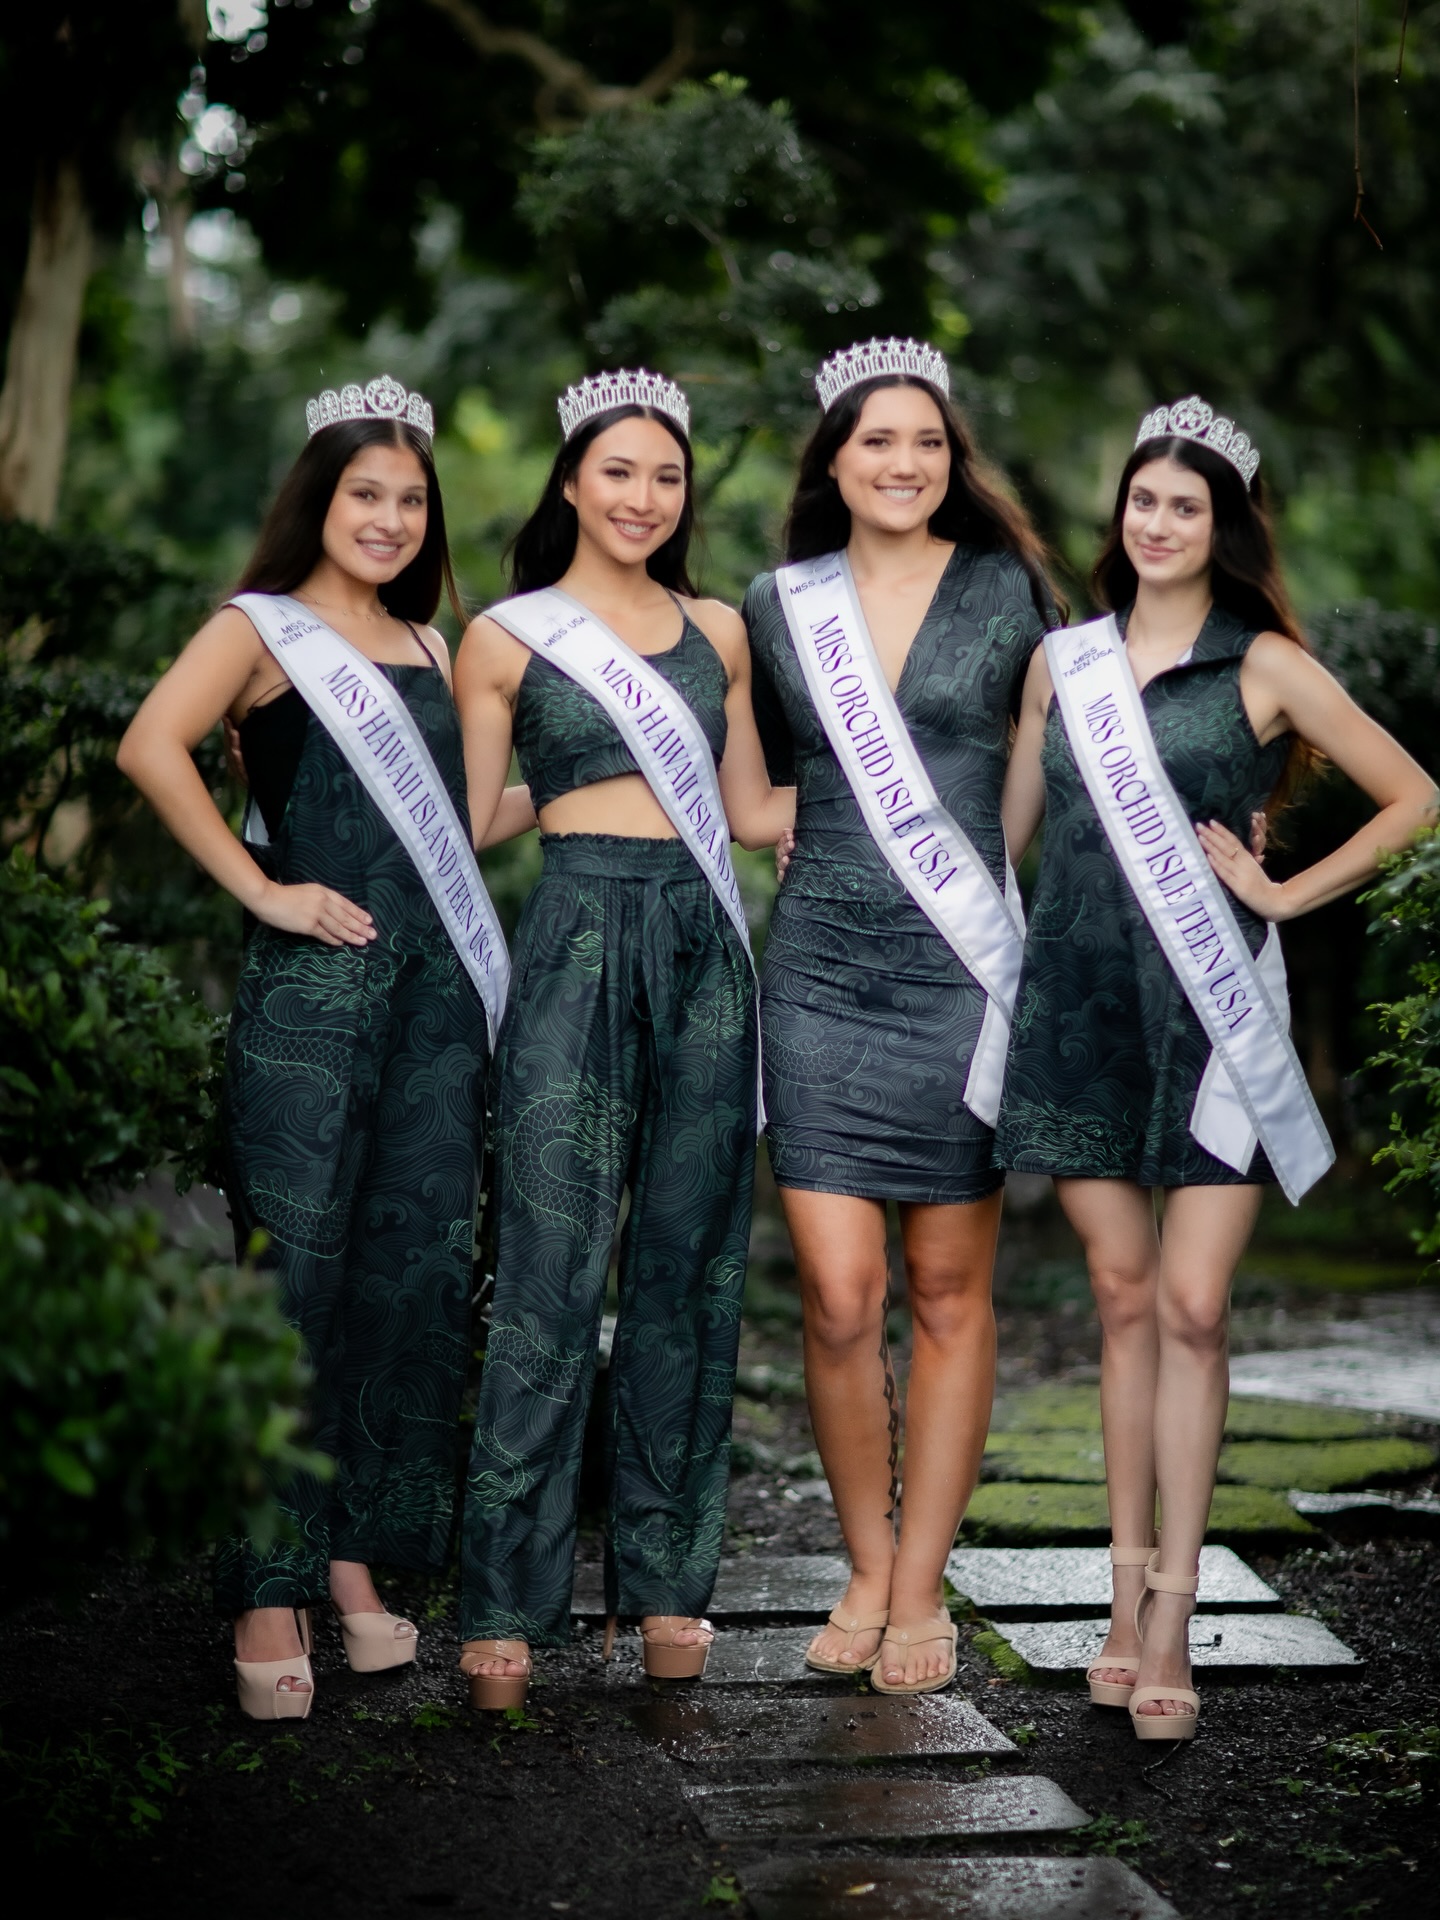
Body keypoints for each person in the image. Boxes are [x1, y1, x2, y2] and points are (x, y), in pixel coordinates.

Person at [995, 396, 1435, 1739]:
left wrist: (1288, 893)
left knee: (1192, 1306)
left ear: (1224, 526)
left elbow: (1418, 793)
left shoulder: (1267, 667)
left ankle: (1178, 1608)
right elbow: (1003, 836)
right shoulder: (1057, 664)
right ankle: (1121, 1601)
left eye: (1188, 506)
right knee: (1122, 1302)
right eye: (1144, 500)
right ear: (1120, 515)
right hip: (1081, 1010)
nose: (1160, 522)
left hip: (1213, 1023)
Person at [118, 377, 530, 1719]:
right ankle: (265, 1587)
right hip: (311, 1002)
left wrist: (617, 789)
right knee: (290, 1289)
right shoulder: (260, 631)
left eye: (413, 500)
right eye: (368, 494)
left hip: (432, 1013)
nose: (393, 518)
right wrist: (264, 888)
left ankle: (352, 1568)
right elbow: (151, 744)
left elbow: (463, 820)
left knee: (409, 1289)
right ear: (322, 498)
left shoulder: (433, 644)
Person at [452, 369, 794, 1708]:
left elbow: (752, 807)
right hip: (577, 941)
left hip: (708, 956)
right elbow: (472, 820)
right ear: (572, 484)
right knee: (547, 1263)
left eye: (666, 476)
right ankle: (504, 1604)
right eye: (618, 473)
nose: (643, 497)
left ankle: (666, 1588)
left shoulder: (720, 628)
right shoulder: (508, 636)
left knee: (691, 1270)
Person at [744, 338, 1060, 1694]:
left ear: (953, 459)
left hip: (957, 966)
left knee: (944, 1290)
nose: (904, 463)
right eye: (876, 440)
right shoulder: (774, 604)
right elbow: (751, 790)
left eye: (927, 442)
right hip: (817, 970)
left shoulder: (1009, 591)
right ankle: (862, 1565)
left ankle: (918, 1588)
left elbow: (1047, 768)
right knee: (836, 1292)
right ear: (833, 459)